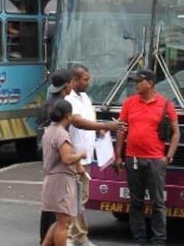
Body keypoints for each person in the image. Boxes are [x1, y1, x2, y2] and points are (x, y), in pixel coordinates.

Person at [114, 69, 180, 246]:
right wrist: (118, 155)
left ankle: (158, 240)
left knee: (158, 203)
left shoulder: (166, 105)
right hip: (132, 159)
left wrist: (168, 157)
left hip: (156, 161)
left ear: (150, 83)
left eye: (138, 81)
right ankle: (139, 239)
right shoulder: (129, 103)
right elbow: (122, 129)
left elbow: (176, 133)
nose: (135, 84)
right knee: (136, 202)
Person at [65, 65, 121, 246]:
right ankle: (73, 237)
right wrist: (105, 126)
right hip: (74, 157)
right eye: (85, 79)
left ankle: (78, 236)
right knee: (75, 198)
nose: (88, 83)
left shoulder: (85, 98)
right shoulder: (69, 100)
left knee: (82, 198)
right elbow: (78, 122)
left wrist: (100, 130)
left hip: (87, 156)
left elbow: (89, 120)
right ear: (74, 80)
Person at [40, 100, 86, 246]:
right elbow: (67, 159)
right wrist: (81, 155)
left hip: (51, 180)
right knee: (63, 224)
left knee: (60, 221)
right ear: (68, 115)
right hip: (62, 181)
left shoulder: (49, 131)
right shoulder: (61, 134)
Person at [38, 69, 73, 244]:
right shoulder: (61, 130)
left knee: (51, 212)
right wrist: (80, 154)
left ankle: (44, 241)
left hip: (49, 164)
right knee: (61, 221)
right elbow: (66, 158)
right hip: (59, 172)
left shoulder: (47, 104)